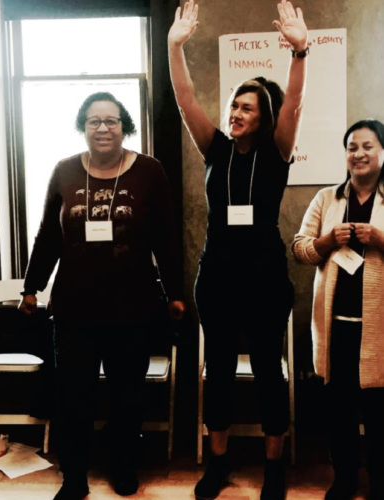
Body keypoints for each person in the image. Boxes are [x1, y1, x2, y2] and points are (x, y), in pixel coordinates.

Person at [168, 1, 308, 499]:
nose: (235, 113)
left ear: (264, 116)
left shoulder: (277, 149)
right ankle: (218, 464)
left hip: (266, 276)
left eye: (246, 107)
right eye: (233, 105)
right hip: (219, 276)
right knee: (219, 371)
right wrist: (174, 46)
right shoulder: (215, 148)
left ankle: (273, 469)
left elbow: (293, 102)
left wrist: (300, 53)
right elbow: (185, 101)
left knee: (270, 371)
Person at [19, 91, 185, 500]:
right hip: (75, 308)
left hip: (134, 307)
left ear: (124, 126)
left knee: (127, 396)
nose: (103, 128)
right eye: (94, 121)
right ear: (83, 127)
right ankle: (73, 476)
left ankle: (123, 467)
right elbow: (47, 236)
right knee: (74, 396)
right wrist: (31, 287)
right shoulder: (64, 171)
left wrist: (175, 292)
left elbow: (166, 237)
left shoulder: (149, 171)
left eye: (111, 120)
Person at [292, 119, 384, 500]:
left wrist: (381, 239)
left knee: (379, 412)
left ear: (382, 151)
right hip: (335, 326)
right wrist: (327, 241)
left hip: (379, 329)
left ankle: (380, 482)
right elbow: (299, 249)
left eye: (367, 146)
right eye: (351, 147)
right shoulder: (327, 198)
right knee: (340, 411)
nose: (358, 154)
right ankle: (343, 478)